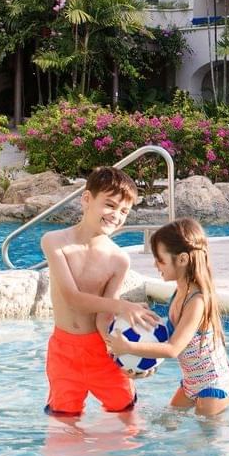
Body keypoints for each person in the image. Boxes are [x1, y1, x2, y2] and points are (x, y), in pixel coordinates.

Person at [40, 166, 159, 417]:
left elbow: (102, 317)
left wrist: (128, 355)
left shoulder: (118, 259)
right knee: (63, 422)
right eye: (110, 205)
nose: (116, 215)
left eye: (124, 211)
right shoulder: (54, 241)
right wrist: (124, 306)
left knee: (126, 417)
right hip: (64, 353)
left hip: (100, 351)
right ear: (86, 199)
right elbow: (73, 299)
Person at [109, 217, 229, 417]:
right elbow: (164, 341)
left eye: (160, 259)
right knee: (165, 423)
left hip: (213, 385)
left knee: (204, 442)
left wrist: (128, 347)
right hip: (190, 383)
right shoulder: (178, 293)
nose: (156, 264)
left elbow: (173, 348)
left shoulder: (197, 301)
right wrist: (142, 366)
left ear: (182, 259)